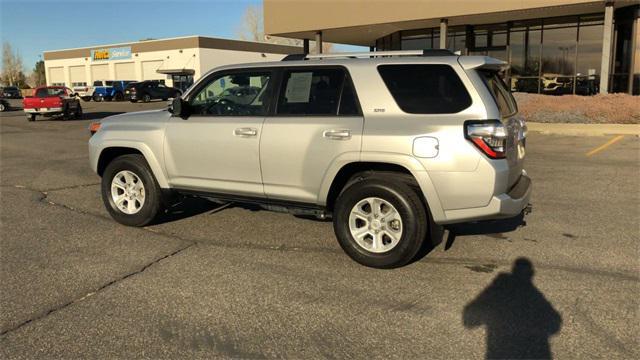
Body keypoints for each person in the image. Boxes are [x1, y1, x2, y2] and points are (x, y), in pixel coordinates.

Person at [463, 258, 562, 359]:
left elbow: (469, 319)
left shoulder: (498, 288)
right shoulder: (533, 294)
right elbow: (555, 324)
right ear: (531, 273)